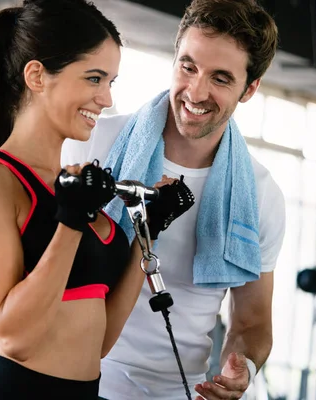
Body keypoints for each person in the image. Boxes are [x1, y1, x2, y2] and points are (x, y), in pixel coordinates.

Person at [0, 1, 195, 399]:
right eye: (94, 79)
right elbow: (13, 338)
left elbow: (102, 340)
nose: (106, 99)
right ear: (37, 76)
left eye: (111, 82)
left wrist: (151, 227)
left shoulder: (76, 187)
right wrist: (71, 222)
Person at [61, 0, 287, 399]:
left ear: (249, 88)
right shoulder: (93, 143)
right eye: (188, 67)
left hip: (180, 390)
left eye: (220, 78)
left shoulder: (260, 194)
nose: (196, 91)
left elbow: (252, 322)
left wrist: (243, 368)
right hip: (77, 377)